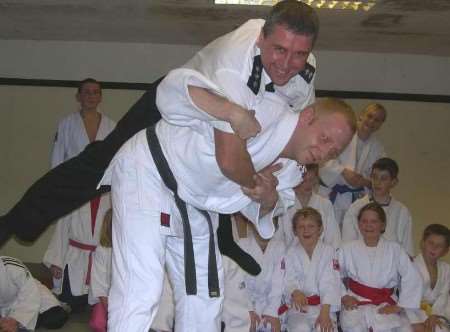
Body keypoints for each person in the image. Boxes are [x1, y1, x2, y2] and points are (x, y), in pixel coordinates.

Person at [0, 0, 317, 278]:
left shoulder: (306, 71)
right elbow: (230, 159)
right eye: (279, 50)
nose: (287, 64)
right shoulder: (234, 67)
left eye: (298, 54)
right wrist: (260, 186)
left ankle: (223, 241)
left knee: (220, 167)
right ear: (262, 37)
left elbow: (302, 125)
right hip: (174, 103)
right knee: (101, 164)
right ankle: (14, 221)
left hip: (218, 118)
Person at [102, 93, 355, 332]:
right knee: (141, 288)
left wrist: (267, 198)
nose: (323, 152)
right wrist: (233, 119)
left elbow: (267, 211)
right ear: (308, 116)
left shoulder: (291, 172)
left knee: (205, 297)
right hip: (151, 171)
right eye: (324, 139)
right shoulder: (262, 108)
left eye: (332, 152)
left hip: (197, 202)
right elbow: (175, 88)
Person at [43, 78, 115, 313]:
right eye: (86, 92)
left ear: (100, 97)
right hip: (74, 186)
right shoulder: (67, 124)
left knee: (103, 232)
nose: (91, 96)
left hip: (103, 188)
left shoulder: (112, 126)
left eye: (96, 92)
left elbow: (116, 159)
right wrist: (57, 186)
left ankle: (101, 290)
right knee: (68, 226)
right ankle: (65, 280)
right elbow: (58, 157)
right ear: (79, 96)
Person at [338, 202, 422, 332]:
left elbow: (412, 277)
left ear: (382, 225)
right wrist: (344, 296)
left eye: (374, 221)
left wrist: (400, 306)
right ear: (358, 224)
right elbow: (332, 275)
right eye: (364, 221)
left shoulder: (395, 249)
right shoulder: (347, 249)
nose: (368, 225)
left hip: (385, 304)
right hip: (356, 303)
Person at [319, 103, 387, 224]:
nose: (371, 122)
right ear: (361, 116)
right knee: (328, 234)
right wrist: (343, 171)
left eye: (377, 120)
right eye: (369, 116)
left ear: (380, 125)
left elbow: (382, 178)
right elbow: (323, 157)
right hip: (332, 195)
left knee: (352, 237)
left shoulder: (378, 149)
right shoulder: (341, 135)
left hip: (358, 199)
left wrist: (365, 182)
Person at [283, 207, 341, 332]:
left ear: (320, 229)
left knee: (324, 328)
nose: (306, 230)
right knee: (300, 328)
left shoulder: (328, 251)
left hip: (324, 306)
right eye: (301, 227)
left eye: (311, 226)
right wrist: (295, 291)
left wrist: (325, 313)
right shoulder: (290, 253)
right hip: (298, 308)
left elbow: (330, 283)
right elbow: (288, 279)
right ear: (295, 231)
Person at [341, 157, 414, 256]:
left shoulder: (402, 212)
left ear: (394, 182)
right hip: (360, 263)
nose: (377, 182)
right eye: (374, 177)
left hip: (391, 267)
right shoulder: (356, 208)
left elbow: (407, 251)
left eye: (383, 178)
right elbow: (347, 245)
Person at [277, 164, 340, 248]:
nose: (308, 184)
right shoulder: (284, 203)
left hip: (320, 255)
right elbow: (278, 237)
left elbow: (333, 238)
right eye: (303, 181)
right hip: (290, 255)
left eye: (311, 180)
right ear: (295, 180)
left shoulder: (325, 204)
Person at [0, 256, 68, 332]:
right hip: (6, 306)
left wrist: (15, 320)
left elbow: (30, 293)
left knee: (56, 319)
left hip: (33, 294)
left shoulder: (10, 266)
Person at [407, 224, 450, 332]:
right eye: (431, 243)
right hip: (412, 312)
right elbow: (406, 297)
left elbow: (443, 297)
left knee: (441, 329)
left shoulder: (446, 269)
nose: (434, 248)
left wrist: (434, 315)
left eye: (439, 245)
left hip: (438, 312)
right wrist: (420, 320)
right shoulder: (410, 266)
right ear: (422, 243)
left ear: (445, 251)